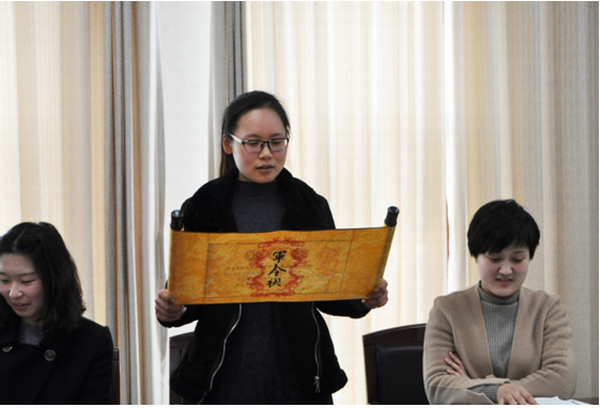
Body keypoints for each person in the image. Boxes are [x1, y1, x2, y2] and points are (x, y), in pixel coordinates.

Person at [155, 90, 389, 404]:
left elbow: (329, 293)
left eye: (276, 142)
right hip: (222, 377)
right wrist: (172, 308)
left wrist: (363, 296)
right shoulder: (204, 205)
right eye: (253, 143)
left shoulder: (309, 205)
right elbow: (187, 295)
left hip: (299, 374)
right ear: (228, 144)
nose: (266, 154)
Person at [423, 199, 576, 404]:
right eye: (495, 259)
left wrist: (482, 387)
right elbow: (438, 386)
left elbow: (562, 380)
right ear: (475, 256)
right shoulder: (447, 310)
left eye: (517, 259)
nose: (505, 270)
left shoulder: (548, 308)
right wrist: (496, 390)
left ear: (529, 257)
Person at [0, 222, 114, 404]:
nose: (13, 293)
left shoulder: (91, 341)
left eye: (26, 281)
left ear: (54, 279)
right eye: (4, 280)